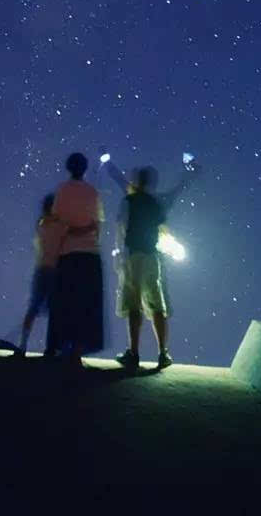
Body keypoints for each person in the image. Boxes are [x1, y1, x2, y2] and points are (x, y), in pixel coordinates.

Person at [104, 158, 198, 371]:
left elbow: (121, 228)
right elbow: (164, 225)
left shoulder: (129, 201)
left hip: (133, 257)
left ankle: (133, 353)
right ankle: (163, 354)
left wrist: (118, 254)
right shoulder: (157, 203)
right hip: (152, 258)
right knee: (157, 306)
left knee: (133, 306)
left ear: (137, 181)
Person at [48, 152, 105, 364]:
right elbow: (97, 224)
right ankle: (78, 353)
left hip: (67, 253)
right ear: (85, 168)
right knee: (85, 305)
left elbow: (58, 221)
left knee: (66, 303)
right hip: (89, 254)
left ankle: (64, 347)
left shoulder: (62, 191)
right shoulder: (92, 192)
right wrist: (86, 232)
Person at [12, 193, 62, 357]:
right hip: (54, 271)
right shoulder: (58, 225)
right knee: (55, 311)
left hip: (41, 269)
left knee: (33, 308)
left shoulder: (41, 224)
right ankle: (52, 348)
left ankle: (23, 345)